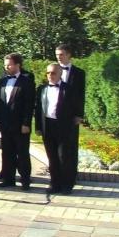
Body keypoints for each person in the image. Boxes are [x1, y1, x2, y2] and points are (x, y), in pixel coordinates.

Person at [35, 63, 83, 195]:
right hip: (48, 126)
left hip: (63, 127)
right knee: (52, 157)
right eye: (48, 73)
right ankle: (54, 183)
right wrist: (38, 127)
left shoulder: (69, 89)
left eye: (53, 73)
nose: (50, 75)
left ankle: (67, 185)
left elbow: (77, 106)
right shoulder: (42, 89)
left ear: (60, 74)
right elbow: (39, 110)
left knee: (64, 157)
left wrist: (78, 117)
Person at [0, 53, 35, 190]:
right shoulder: (2, 82)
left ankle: (25, 180)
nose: (6, 67)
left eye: (9, 64)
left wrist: (26, 123)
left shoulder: (27, 82)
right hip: (5, 124)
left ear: (18, 65)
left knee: (22, 153)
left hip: (20, 125)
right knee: (7, 153)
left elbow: (29, 104)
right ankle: (8, 179)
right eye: (5, 64)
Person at [55, 44, 85, 189]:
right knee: (56, 148)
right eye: (57, 55)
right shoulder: (52, 70)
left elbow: (80, 96)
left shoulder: (79, 73)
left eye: (61, 54)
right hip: (54, 116)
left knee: (70, 147)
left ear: (68, 55)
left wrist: (79, 115)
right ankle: (57, 178)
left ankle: (71, 178)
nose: (59, 57)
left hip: (71, 116)